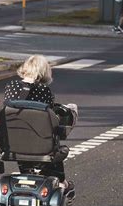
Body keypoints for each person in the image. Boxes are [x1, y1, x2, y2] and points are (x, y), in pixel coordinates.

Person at [4, 55, 76, 192]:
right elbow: (49, 116)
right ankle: (61, 182)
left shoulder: (11, 86)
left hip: (14, 142)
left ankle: (27, 172)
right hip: (41, 143)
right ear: (44, 72)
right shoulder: (44, 90)